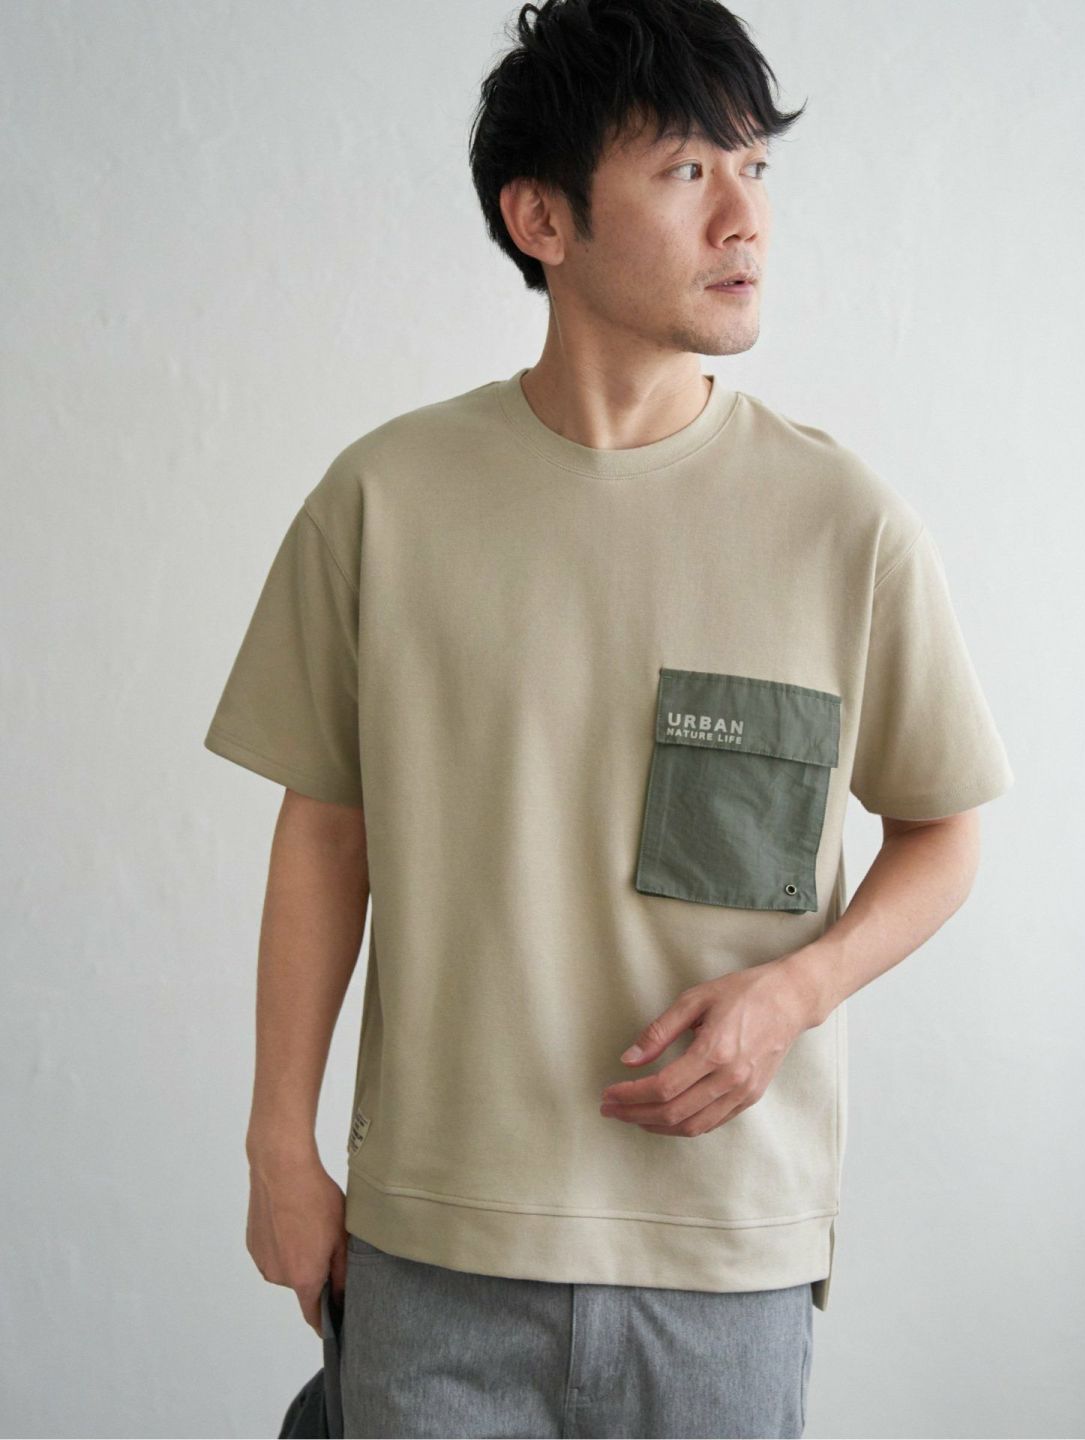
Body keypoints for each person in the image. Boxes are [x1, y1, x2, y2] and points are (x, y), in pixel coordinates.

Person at [203, 1, 1015, 1435]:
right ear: (543, 220)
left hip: (724, 1263)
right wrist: (281, 1146)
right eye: (687, 170)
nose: (743, 218)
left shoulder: (842, 524)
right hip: (435, 1247)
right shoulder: (384, 501)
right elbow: (325, 835)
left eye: (754, 168)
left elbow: (943, 831)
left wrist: (794, 994)